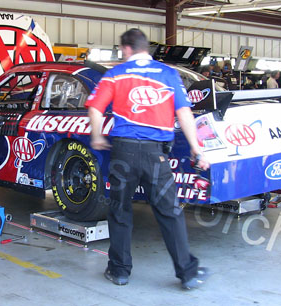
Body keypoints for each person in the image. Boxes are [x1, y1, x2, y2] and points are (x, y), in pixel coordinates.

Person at [86, 28, 211, 290]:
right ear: (146, 48)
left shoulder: (115, 74)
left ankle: (119, 271)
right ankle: (187, 273)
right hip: (157, 156)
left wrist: (97, 136)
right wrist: (196, 149)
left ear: (126, 49)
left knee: (120, 210)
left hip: (123, 153)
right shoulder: (168, 74)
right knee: (170, 213)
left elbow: (96, 108)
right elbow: (185, 113)